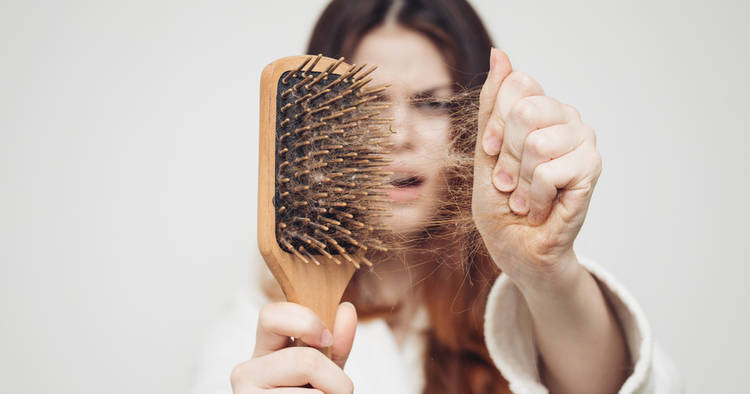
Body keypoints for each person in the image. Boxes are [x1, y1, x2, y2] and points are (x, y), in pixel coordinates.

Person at [195, 1, 682, 393]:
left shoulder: (527, 308)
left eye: (431, 102)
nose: (397, 134)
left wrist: (547, 271)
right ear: (319, 125)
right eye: (368, 104)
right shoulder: (253, 339)